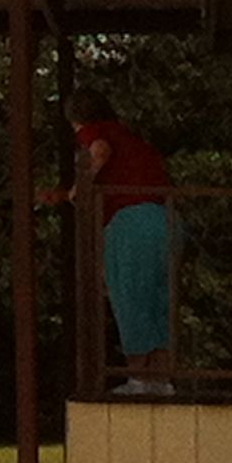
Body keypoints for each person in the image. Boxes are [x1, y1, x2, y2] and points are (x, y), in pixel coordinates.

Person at [43, 90, 175, 396]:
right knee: (157, 300)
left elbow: (99, 152)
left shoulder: (95, 131)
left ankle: (138, 379)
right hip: (165, 217)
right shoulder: (129, 137)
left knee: (130, 298)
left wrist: (81, 184)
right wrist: (63, 196)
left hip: (131, 222)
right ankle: (161, 379)